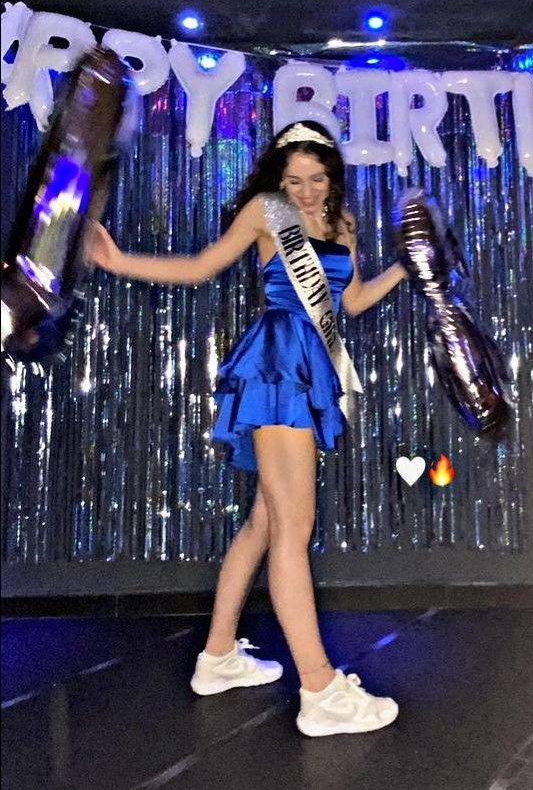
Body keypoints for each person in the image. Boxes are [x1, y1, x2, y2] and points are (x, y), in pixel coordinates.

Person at [84, 120, 408, 736]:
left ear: (332, 176)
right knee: (293, 529)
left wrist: (408, 269)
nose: (306, 192)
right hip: (279, 363)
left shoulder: (344, 225)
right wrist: (120, 260)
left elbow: (353, 302)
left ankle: (217, 657)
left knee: (265, 523)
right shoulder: (267, 213)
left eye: (317, 179)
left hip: (312, 369)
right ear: (276, 179)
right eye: (294, 180)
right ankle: (320, 691)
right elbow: (202, 267)